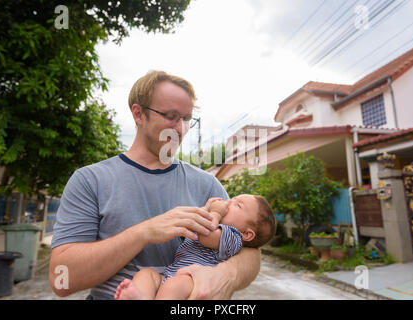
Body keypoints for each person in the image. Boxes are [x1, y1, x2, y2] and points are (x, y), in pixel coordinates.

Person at [49, 70, 262, 300]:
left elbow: (250, 250)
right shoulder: (89, 181)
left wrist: (227, 275)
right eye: (171, 116)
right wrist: (144, 233)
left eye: (186, 119)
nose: (180, 129)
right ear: (139, 114)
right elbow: (61, 280)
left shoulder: (207, 184)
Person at [114, 195, 276, 300]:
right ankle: (141, 297)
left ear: (247, 234)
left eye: (238, 205)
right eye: (233, 198)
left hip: (190, 282)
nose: (228, 202)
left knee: (174, 285)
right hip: (171, 274)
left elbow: (205, 233)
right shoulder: (218, 224)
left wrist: (215, 213)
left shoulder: (233, 237)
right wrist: (207, 211)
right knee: (147, 274)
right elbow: (197, 225)